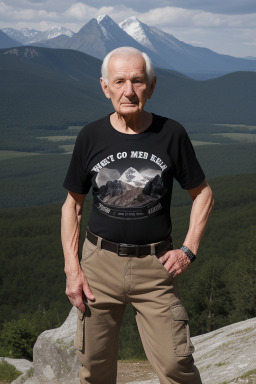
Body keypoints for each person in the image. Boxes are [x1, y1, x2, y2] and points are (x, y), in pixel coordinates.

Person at [61, 46, 214, 384]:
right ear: (105, 87)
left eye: (137, 81)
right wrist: (73, 270)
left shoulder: (171, 134)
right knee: (95, 370)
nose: (128, 91)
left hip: (155, 267)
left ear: (152, 86)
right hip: (98, 266)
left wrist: (188, 250)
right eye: (119, 82)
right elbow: (72, 206)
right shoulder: (90, 136)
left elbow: (203, 194)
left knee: (177, 366)